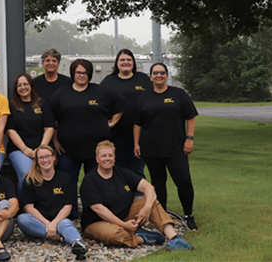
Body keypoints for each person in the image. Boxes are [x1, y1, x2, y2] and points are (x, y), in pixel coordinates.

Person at [80, 141, 193, 251]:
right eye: (103, 156)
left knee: (151, 200)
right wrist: (123, 225)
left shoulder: (123, 173)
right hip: (97, 222)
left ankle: (174, 239)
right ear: (97, 159)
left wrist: (146, 208)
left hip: (124, 215)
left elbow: (149, 187)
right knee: (114, 235)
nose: (107, 159)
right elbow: (99, 209)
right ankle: (142, 238)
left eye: (110, 155)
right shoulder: (90, 180)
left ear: (114, 158)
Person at [50, 58, 126, 218]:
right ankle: (70, 214)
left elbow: (121, 104)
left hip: (96, 152)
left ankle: (94, 215)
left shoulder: (101, 92)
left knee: (95, 184)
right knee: (68, 183)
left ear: (90, 74)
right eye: (78, 72)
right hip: (68, 150)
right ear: (73, 74)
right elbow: (53, 120)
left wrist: (112, 123)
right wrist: (55, 140)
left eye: (85, 73)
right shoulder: (61, 94)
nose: (82, 76)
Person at [134, 63, 199, 231]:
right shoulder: (144, 97)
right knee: (158, 183)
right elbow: (138, 123)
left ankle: (188, 215)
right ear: (151, 77)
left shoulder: (178, 94)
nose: (159, 75)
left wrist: (189, 138)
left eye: (162, 72)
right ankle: (161, 216)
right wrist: (136, 143)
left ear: (167, 75)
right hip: (151, 148)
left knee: (183, 181)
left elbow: (191, 116)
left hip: (176, 148)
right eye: (155, 73)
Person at [16, 145, 87, 261]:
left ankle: (78, 243)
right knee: (22, 219)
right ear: (37, 161)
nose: (45, 160)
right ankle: (60, 237)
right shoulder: (30, 179)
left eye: (47, 156)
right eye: (41, 158)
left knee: (66, 223)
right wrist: (49, 224)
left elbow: (67, 206)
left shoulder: (64, 178)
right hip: (38, 221)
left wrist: (54, 223)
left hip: (59, 219)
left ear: (54, 157)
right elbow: (29, 207)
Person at [100, 49, 152, 177]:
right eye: (122, 60)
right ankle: (118, 196)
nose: (125, 62)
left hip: (140, 134)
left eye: (129, 60)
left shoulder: (144, 79)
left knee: (136, 170)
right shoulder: (108, 81)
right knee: (116, 170)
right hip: (115, 135)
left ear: (133, 62)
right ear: (117, 63)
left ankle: (138, 196)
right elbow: (100, 105)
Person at [5, 73, 55, 195]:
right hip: (19, 150)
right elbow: (10, 130)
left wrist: (41, 149)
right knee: (27, 173)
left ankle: (44, 204)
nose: (23, 87)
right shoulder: (12, 106)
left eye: (25, 84)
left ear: (31, 86)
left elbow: (49, 128)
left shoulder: (42, 104)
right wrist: (25, 149)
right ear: (16, 89)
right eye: (19, 85)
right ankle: (26, 205)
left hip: (41, 147)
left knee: (46, 172)